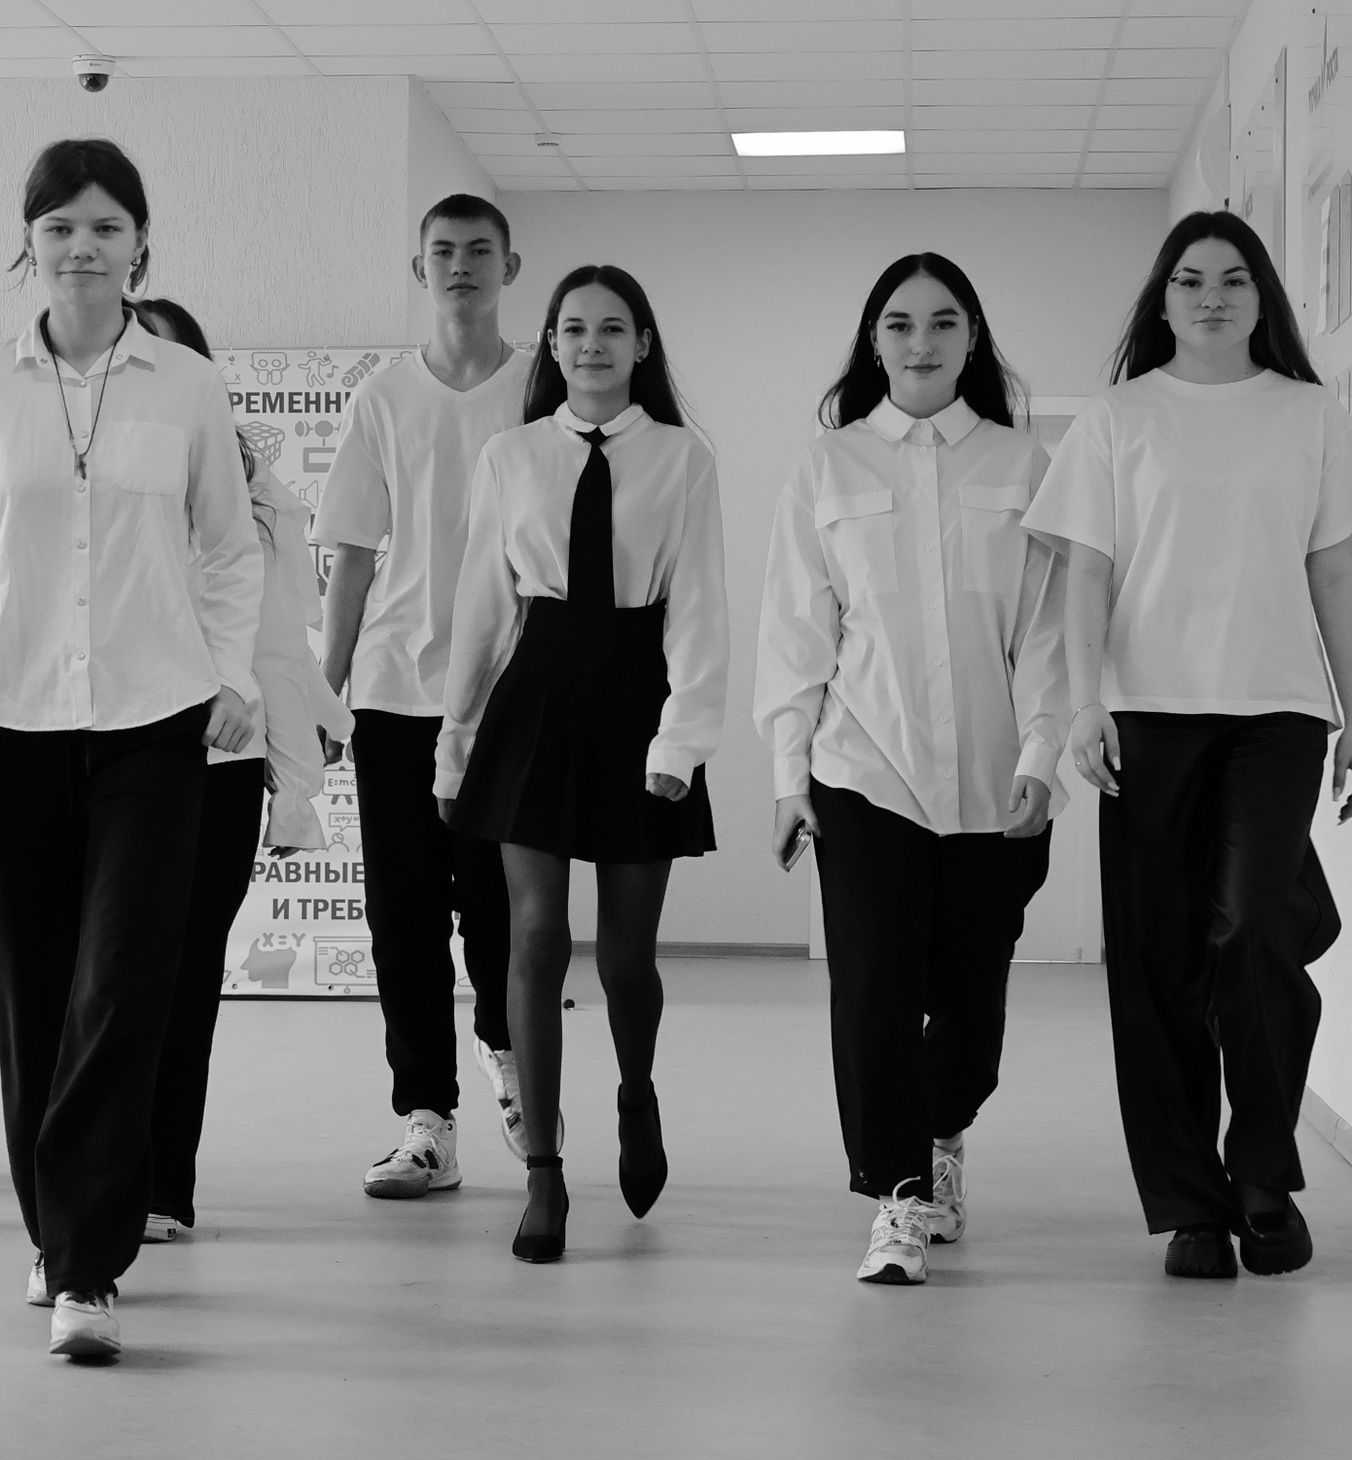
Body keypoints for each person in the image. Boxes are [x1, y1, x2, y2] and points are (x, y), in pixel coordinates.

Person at [0, 139, 262, 1359]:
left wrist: (232, 676)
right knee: (34, 988)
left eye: (107, 226)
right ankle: (57, 1224)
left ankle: (86, 1267)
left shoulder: (187, 384)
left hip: (154, 722)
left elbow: (230, 546)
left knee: (121, 985)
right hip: (8, 719)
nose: (83, 247)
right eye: (60, 226)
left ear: (140, 244)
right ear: (30, 244)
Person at [1025, 210, 1352, 1281]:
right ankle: (1189, 1206)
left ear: (1263, 298)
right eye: (1190, 279)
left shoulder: (1310, 412)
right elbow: (1086, 571)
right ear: (1162, 300)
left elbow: (1334, 570)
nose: (1211, 296)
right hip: (1145, 713)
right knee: (1159, 957)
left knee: (1255, 930)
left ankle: (1262, 1173)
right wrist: (1084, 704)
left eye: (1233, 278)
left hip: (1277, 710)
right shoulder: (1119, 417)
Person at [754, 254, 1067, 1286]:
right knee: (874, 990)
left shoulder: (1024, 464)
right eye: (898, 323)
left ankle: (942, 1131)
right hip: (863, 769)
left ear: (972, 337)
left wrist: (1041, 754)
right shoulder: (829, 467)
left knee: (972, 1006)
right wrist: (789, 776)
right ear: (874, 340)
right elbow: (796, 632)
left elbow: (1048, 630)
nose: (920, 342)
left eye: (942, 322)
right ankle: (897, 1196)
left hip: (994, 779)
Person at [436, 264, 726, 1263]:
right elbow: (483, 602)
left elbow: (701, 605)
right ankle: (544, 1172)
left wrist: (682, 739)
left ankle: (636, 1094)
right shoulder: (511, 454)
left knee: (627, 956)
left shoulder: (683, 458)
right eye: (572, 329)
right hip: (537, 701)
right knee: (534, 936)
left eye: (612, 328)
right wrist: (455, 735)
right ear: (552, 345)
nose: (591, 345)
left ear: (642, 344)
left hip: (641, 698)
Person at [313, 194, 537, 1200]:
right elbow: (352, 556)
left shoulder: (540, 388)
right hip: (397, 694)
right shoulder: (382, 398)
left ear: (510, 266)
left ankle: (507, 1050)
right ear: (419, 270)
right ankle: (426, 1121)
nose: (460, 266)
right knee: (402, 922)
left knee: (499, 912)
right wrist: (327, 690)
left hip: (508, 696)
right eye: (442, 252)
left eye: (479, 250)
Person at [130, 296, 353, 1243]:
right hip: (112, 753)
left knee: (186, 978)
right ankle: (92, 1176)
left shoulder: (259, 493)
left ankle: (160, 1186)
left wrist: (296, 778)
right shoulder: (89, 477)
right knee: (107, 976)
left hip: (222, 756)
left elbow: (280, 646)